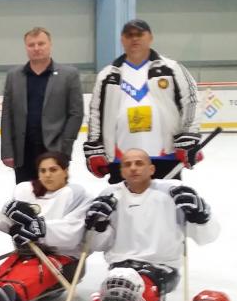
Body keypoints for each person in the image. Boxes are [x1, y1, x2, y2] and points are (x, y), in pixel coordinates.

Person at [83, 148, 218, 301]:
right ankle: (124, 291)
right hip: (120, 268)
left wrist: (200, 216)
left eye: (139, 163)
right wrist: (98, 225)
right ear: (121, 171)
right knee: (122, 292)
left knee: (129, 298)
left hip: (161, 267)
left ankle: (133, 293)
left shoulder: (173, 192)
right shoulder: (110, 194)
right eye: (127, 164)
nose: (133, 168)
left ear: (152, 169)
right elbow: (99, 245)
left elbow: (207, 237)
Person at [84, 19, 202, 183]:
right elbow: (95, 113)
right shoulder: (107, 75)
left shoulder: (172, 69)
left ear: (150, 37)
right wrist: (94, 148)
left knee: (164, 204)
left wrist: (189, 136)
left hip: (165, 156)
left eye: (139, 34)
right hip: (122, 160)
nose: (134, 38)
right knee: (123, 207)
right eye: (129, 35)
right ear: (122, 39)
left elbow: (192, 101)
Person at [0, 152, 89, 301]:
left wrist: (39, 228)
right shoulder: (28, 191)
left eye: (53, 170)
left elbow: (74, 233)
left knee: (34, 272)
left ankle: (13, 294)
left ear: (65, 171)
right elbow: (0, 223)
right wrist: (11, 222)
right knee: (11, 264)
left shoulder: (77, 195)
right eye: (43, 171)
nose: (47, 175)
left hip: (64, 259)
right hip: (28, 253)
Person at [0, 28, 83, 184]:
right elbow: (7, 115)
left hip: (54, 149)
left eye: (41, 43)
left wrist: (65, 147)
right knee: (25, 195)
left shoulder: (69, 74)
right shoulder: (14, 76)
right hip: (23, 152)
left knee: (56, 196)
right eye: (31, 45)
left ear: (50, 45)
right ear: (26, 47)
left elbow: (76, 113)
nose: (36, 48)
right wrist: (7, 151)